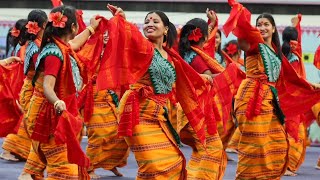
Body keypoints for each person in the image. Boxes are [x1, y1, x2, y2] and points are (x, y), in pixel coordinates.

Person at [96, 4, 211, 179]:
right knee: (153, 164)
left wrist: (203, 79)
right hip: (137, 113)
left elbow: (184, 79)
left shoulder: (170, 55)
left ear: (165, 29)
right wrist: (123, 19)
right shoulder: (143, 48)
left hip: (159, 117)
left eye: (155, 21)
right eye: (147, 21)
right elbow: (130, 36)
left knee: (173, 162)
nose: (149, 23)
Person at [25, 5, 101, 179]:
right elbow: (47, 87)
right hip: (50, 113)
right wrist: (58, 102)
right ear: (73, 27)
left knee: (62, 164)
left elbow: (74, 43)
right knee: (63, 170)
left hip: (55, 111)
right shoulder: (54, 53)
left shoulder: (62, 47)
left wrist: (91, 28)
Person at [223, 1, 288, 179]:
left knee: (277, 143)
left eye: (266, 24)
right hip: (252, 98)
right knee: (255, 143)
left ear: (274, 29)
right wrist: (240, 16)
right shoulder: (254, 44)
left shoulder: (275, 52)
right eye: (259, 25)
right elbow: (243, 41)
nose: (262, 27)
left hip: (270, 100)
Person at [178, 13, 227, 179]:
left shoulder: (185, 52)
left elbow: (207, 45)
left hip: (187, 108)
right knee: (212, 149)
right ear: (203, 37)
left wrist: (211, 24)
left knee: (201, 150)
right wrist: (229, 74)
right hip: (196, 109)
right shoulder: (196, 58)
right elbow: (206, 79)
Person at [77, 28, 129, 178]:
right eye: (103, 33)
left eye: (109, 33)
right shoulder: (90, 50)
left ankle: (111, 164)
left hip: (110, 98)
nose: (106, 36)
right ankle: (88, 168)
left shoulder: (114, 53)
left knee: (120, 134)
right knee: (98, 135)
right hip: (93, 98)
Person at [15, 9, 48, 180]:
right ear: (43, 24)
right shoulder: (36, 47)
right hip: (35, 92)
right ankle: (28, 172)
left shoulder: (35, 43)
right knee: (39, 136)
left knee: (39, 136)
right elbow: (41, 74)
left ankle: (31, 172)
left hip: (34, 91)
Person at [281, 14, 307, 176]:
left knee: (285, 131)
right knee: (294, 133)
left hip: (281, 99)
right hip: (292, 101)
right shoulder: (294, 57)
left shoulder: (281, 53)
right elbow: (295, 80)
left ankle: (282, 164)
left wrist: (297, 25)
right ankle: (288, 165)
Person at [1, 19, 29, 162]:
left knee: (22, 119)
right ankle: (9, 148)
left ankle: (16, 150)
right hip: (22, 87)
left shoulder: (22, 46)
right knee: (22, 119)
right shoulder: (24, 47)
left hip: (21, 86)